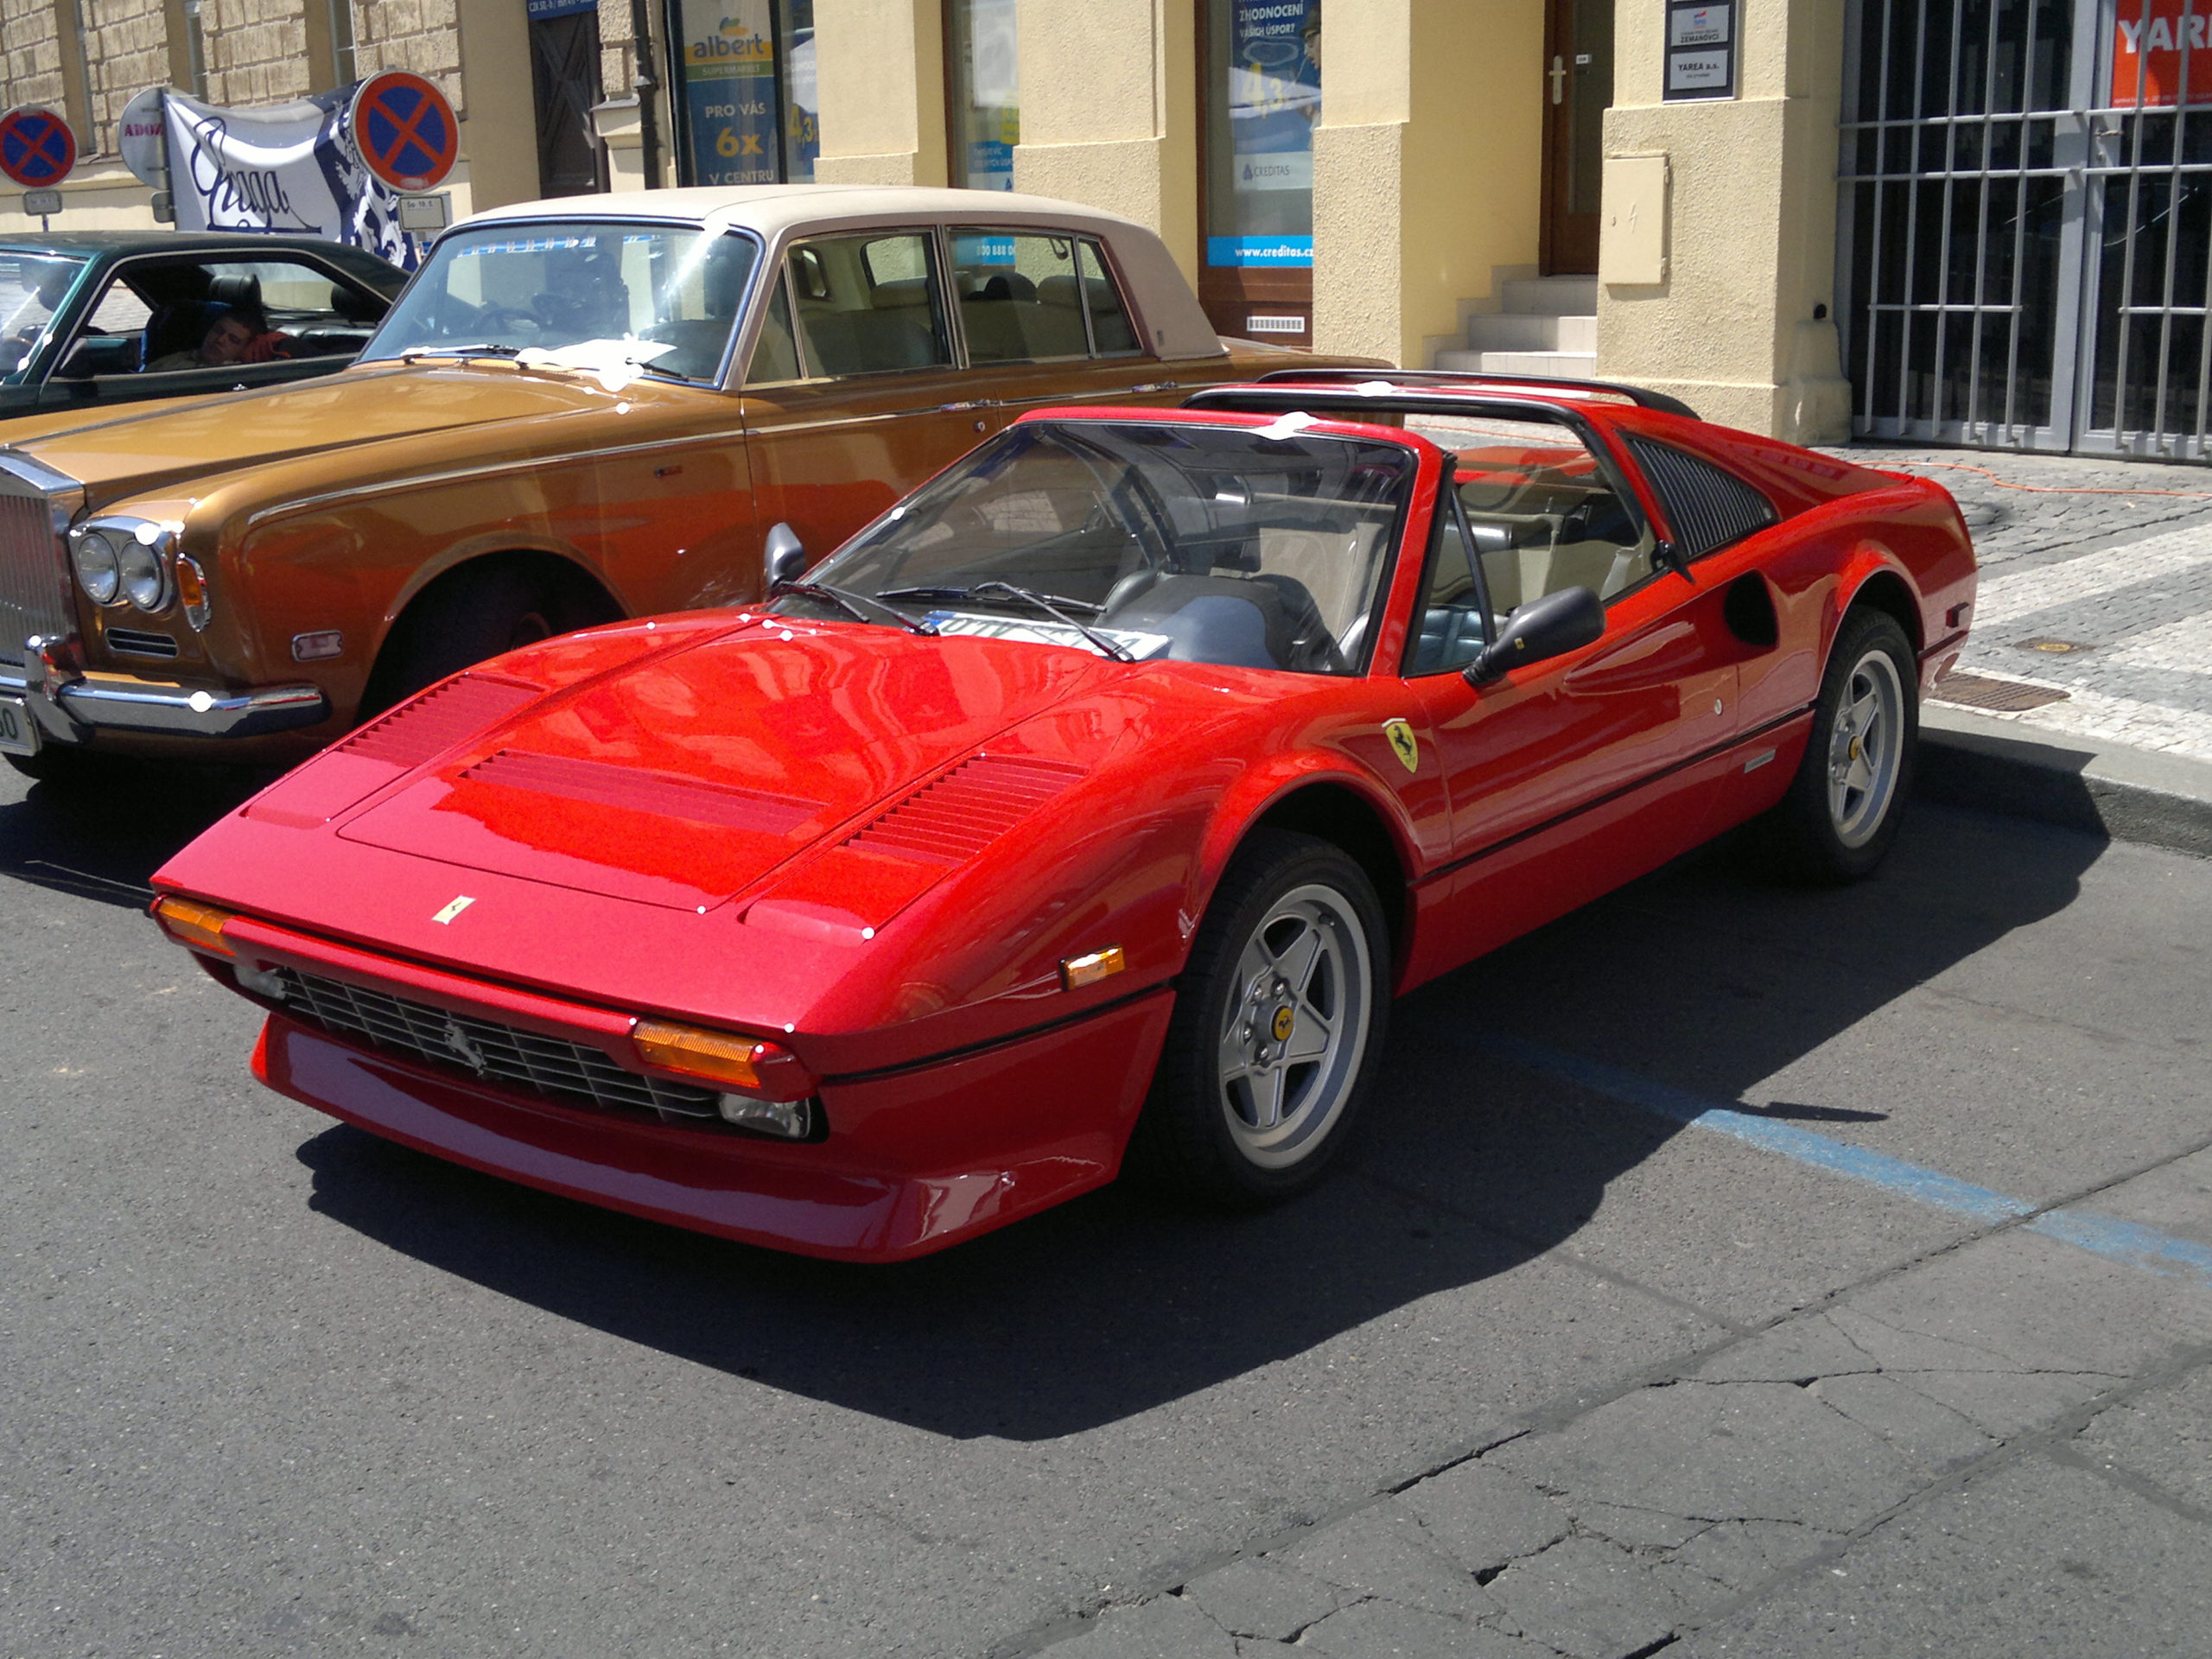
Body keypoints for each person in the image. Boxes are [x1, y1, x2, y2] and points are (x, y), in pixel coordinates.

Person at [147, 305, 289, 371]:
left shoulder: (233, 375)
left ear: (245, 349)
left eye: (233, 340)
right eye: (218, 330)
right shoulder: (171, 360)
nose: (221, 339)